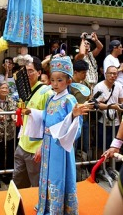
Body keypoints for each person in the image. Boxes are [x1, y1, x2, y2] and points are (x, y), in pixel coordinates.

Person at [25, 56, 89, 214]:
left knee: (57, 176)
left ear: (68, 81)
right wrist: (31, 112)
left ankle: (57, 209)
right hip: (48, 143)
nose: (54, 83)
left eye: (59, 80)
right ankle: (45, 205)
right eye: (52, 80)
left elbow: (76, 127)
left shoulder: (69, 99)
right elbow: (46, 119)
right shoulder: (50, 99)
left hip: (60, 145)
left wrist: (74, 116)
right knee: (46, 175)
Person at [13, 56, 53, 189]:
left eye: (31, 71)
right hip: (22, 143)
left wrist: (42, 146)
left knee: (38, 185)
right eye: (25, 71)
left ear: (39, 72)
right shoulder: (24, 91)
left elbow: (52, 119)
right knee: (18, 183)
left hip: (36, 147)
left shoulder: (47, 92)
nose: (27, 74)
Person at [93, 65, 123, 176]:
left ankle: (111, 168)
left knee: (113, 146)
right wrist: (111, 107)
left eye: (115, 73)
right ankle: (100, 167)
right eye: (110, 73)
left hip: (116, 121)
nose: (113, 76)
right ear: (105, 74)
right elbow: (95, 104)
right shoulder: (99, 86)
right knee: (101, 145)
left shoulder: (119, 86)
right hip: (102, 120)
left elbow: (121, 102)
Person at [0, 81, 17, 184]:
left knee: (10, 153)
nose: (4, 90)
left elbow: (13, 112)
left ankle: (8, 175)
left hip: (9, 131)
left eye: (6, 88)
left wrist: (14, 117)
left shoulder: (11, 100)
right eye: (2, 88)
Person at [70, 60, 91, 155]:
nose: (85, 75)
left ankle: (82, 168)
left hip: (85, 119)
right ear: (75, 72)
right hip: (73, 120)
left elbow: (90, 97)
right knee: (73, 146)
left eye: (86, 72)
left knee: (84, 146)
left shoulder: (86, 84)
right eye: (83, 73)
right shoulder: (69, 85)